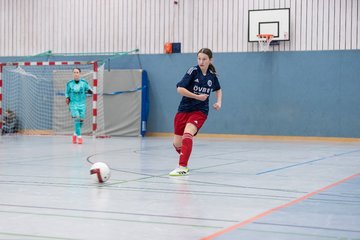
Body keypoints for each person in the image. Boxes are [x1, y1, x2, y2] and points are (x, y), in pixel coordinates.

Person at [169, 48, 222, 176]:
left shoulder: (212, 76)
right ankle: (184, 156)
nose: (201, 61)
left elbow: (218, 89)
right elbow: (180, 89)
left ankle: (183, 166)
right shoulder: (193, 71)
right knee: (177, 143)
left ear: (210, 60)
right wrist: (197, 96)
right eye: (199, 58)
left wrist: (218, 102)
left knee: (188, 134)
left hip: (200, 111)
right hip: (184, 109)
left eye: (204, 59)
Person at [65, 68, 93, 144]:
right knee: (77, 118)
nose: (76, 74)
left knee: (81, 120)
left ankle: (75, 134)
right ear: (72, 74)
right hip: (73, 104)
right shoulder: (69, 84)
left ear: (80, 73)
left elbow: (90, 89)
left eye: (77, 72)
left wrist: (90, 91)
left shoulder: (84, 83)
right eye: (74, 72)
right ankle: (79, 136)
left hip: (82, 104)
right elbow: (66, 92)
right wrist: (67, 97)